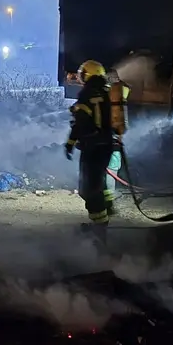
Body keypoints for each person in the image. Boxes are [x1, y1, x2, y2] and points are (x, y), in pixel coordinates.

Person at [65, 60, 115, 240]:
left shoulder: (86, 94)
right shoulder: (106, 91)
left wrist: (70, 143)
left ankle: (99, 228)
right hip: (107, 146)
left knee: (88, 189)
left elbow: (80, 123)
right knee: (99, 180)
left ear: (86, 74)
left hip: (92, 147)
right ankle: (107, 208)